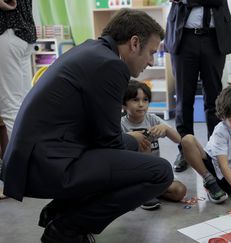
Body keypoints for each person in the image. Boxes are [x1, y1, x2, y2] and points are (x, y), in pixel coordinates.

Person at [1, 9, 173, 243]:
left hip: (35, 160)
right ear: (134, 43)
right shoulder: (111, 65)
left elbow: (95, 132)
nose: (151, 60)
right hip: (48, 164)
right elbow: (109, 141)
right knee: (160, 171)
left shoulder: (91, 51)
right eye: (151, 52)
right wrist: (134, 138)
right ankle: (67, 228)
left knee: (127, 155)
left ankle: (62, 211)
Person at [164, 0, 231, 172]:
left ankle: (215, 151)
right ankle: (185, 151)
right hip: (183, 37)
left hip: (214, 36)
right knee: (184, 99)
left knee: (215, 99)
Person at [121, 80, 187, 210]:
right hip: (132, 175)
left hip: (153, 176)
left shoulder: (152, 119)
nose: (141, 104)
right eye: (135, 100)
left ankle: (146, 192)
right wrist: (130, 138)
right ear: (124, 105)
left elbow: (179, 139)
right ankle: (143, 193)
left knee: (179, 190)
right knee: (144, 147)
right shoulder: (121, 124)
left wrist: (165, 129)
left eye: (145, 100)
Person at [0, 0, 36, 200]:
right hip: (24, 32)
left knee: (11, 109)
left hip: (5, 33)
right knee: (24, 106)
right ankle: (31, 169)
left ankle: (19, 176)